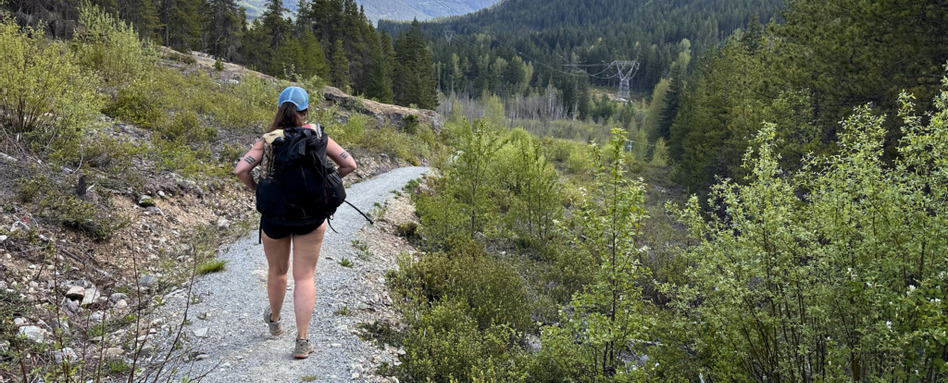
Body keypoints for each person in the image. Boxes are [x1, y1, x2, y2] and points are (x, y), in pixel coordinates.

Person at [234, 86, 357, 359]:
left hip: (275, 216)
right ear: (306, 111)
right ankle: (302, 341)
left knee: (277, 272)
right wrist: (326, 183)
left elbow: (241, 169)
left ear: (279, 110)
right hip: (311, 217)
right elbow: (350, 165)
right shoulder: (319, 135)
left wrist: (258, 189)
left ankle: (275, 322)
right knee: (305, 277)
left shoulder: (267, 140)